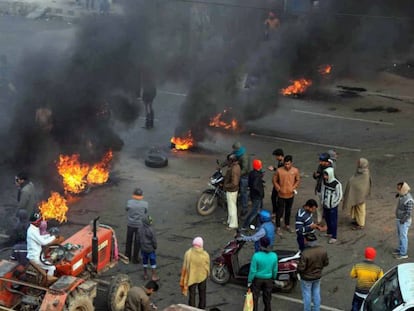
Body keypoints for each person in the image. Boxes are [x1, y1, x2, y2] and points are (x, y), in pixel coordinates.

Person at [26, 212, 63, 281]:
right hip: (35, 257)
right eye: (39, 221)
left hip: (38, 255)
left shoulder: (35, 229)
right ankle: (48, 282)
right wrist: (54, 237)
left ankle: (46, 279)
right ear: (35, 222)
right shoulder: (32, 231)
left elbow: (41, 238)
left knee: (50, 264)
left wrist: (49, 235)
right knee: (52, 268)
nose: (41, 222)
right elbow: (43, 242)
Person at [297, 233, 329, 311]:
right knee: (316, 292)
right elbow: (326, 263)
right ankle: (316, 309)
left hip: (306, 278)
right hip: (317, 275)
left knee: (307, 294)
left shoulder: (305, 253)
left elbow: (301, 268)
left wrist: (297, 269)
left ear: (307, 241)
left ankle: (307, 309)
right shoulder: (322, 250)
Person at [247, 237, 278, 311]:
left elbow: (253, 271)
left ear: (261, 244)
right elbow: (275, 269)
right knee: (267, 298)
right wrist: (273, 277)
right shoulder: (274, 256)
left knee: (255, 297)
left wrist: (249, 280)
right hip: (269, 279)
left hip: (257, 279)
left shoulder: (256, 256)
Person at [272, 155, 300, 235]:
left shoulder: (295, 171)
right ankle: (278, 227)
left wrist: (293, 187)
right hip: (281, 194)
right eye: (285, 164)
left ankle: (287, 225)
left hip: (290, 194)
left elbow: (297, 180)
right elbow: (274, 180)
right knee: (280, 211)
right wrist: (278, 188)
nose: (287, 166)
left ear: (291, 163)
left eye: (288, 164)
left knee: (288, 210)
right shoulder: (279, 171)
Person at [180, 237, 210, 309]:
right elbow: (207, 267)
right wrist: (207, 274)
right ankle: (202, 308)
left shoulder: (188, 253)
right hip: (202, 277)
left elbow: (185, 266)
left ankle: (191, 309)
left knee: (192, 295)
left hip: (191, 277)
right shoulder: (205, 255)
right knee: (202, 294)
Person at [349, 247, 383, 311]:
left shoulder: (358, 266)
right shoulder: (378, 269)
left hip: (358, 292)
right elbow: (380, 280)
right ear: (374, 256)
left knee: (355, 308)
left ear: (365, 255)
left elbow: (352, 275)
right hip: (369, 294)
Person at [342, 158, 372, 230]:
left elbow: (362, 185)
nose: (357, 163)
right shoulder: (360, 171)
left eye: (359, 162)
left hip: (360, 195)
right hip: (357, 194)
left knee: (360, 209)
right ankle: (357, 220)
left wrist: (353, 185)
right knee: (356, 208)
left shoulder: (365, 173)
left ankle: (361, 224)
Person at [125, 188, 148, 264]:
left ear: (133, 195)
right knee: (137, 242)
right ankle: (135, 258)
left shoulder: (129, 202)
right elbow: (145, 211)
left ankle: (127, 256)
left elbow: (127, 209)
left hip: (130, 224)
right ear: (141, 196)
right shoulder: (145, 204)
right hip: (139, 225)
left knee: (129, 240)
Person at [320, 167, 343, 244]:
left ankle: (334, 236)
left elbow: (339, 195)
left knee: (333, 221)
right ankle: (329, 232)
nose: (325, 177)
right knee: (327, 219)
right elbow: (323, 191)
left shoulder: (337, 184)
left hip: (332, 206)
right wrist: (322, 201)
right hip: (325, 205)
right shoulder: (324, 182)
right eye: (324, 175)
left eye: (326, 175)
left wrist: (334, 203)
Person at [393, 182, 413, 260]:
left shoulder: (409, 200)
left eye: (399, 188)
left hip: (403, 221)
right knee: (400, 236)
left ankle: (403, 253)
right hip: (399, 219)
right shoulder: (402, 195)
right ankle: (400, 249)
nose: (398, 189)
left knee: (403, 237)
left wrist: (402, 220)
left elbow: (408, 213)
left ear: (403, 189)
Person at [243, 159, 265, 228]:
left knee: (258, 211)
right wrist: (260, 192)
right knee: (255, 211)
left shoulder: (252, 173)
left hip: (253, 195)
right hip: (257, 196)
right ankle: (245, 225)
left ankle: (258, 225)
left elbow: (250, 184)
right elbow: (255, 185)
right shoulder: (257, 175)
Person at [312, 153, 332, 225]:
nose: (320, 162)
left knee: (326, 207)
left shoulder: (330, 169)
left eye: (321, 161)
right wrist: (315, 175)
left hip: (326, 190)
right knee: (319, 206)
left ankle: (327, 223)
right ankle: (319, 221)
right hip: (319, 188)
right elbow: (317, 176)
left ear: (326, 161)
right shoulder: (320, 166)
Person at [223, 153, 241, 230]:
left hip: (231, 190)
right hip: (233, 190)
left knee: (232, 207)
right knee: (230, 206)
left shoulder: (233, 169)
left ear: (232, 161)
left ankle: (233, 224)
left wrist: (226, 186)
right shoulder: (236, 166)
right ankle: (229, 221)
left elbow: (234, 183)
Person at [232, 142, 249, 217]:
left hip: (244, 175)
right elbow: (229, 159)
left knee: (243, 192)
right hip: (238, 172)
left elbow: (245, 169)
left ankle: (245, 209)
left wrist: (237, 175)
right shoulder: (236, 153)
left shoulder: (244, 156)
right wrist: (220, 166)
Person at [139, 215, 159, 281]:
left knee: (144, 261)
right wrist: (155, 247)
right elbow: (154, 240)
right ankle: (154, 275)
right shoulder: (151, 230)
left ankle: (145, 274)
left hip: (143, 248)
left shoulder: (140, 229)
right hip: (150, 249)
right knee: (153, 261)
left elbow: (138, 238)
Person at [268, 148, 284, 222]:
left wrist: (274, 169)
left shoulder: (283, 163)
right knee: (273, 197)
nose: (276, 158)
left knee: (279, 200)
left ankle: (279, 215)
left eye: (276, 156)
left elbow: (281, 172)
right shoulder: (280, 162)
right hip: (277, 183)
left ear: (280, 156)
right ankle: (275, 212)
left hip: (280, 184)